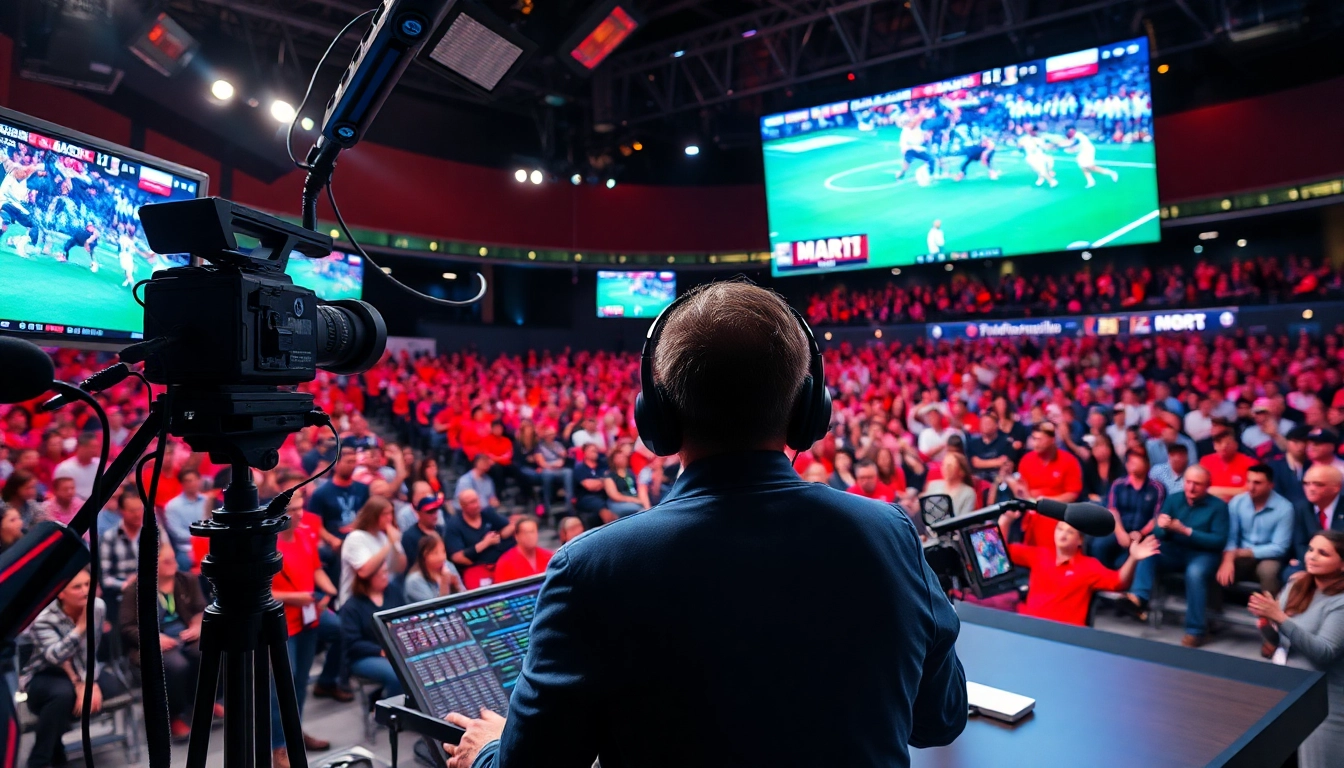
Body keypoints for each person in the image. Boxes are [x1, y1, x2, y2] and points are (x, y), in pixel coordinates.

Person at [445, 282, 964, 768]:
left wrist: (489, 748)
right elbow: (940, 719)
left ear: (658, 415)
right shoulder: (889, 532)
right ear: (808, 408)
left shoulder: (593, 568)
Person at [1247, 530, 1344, 768]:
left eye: (1323, 553)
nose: (1311, 556)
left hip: (1326, 704)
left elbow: (1324, 652)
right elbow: (1279, 639)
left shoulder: (1340, 602)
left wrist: (1279, 618)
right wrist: (1264, 622)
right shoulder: (1297, 585)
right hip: (1287, 695)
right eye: (1311, 549)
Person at [20, 569, 125, 768]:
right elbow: (56, 656)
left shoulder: (97, 607)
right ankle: (39, 760)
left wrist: (89, 682)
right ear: (61, 592)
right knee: (62, 695)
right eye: (77, 587)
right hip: (46, 673)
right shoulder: (43, 618)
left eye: (88, 584)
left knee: (110, 688)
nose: (85, 591)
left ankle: (56, 752)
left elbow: (90, 650)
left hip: (83, 668)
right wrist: (80, 628)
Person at [269, 493, 342, 765]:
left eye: (301, 508)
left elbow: (315, 569)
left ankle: (293, 733)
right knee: (282, 686)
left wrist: (329, 589)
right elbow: (264, 592)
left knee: (299, 683)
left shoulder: (307, 535)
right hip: (282, 624)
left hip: (308, 618)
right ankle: (278, 745)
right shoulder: (269, 545)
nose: (300, 514)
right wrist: (295, 598)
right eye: (294, 510)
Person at [997, 507, 1159, 626]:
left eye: (1070, 531)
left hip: (1067, 636)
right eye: (1060, 529)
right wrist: (1005, 521)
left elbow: (1119, 582)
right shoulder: (1040, 554)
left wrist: (1133, 558)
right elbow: (1002, 552)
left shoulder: (1089, 566)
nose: (1063, 534)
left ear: (1080, 540)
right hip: (1029, 627)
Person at [1125, 466, 1230, 647]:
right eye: (1188, 482)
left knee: (1195, 573)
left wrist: (1187, 531)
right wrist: (1163, 527)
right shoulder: (1174, 499)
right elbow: (1157, 531)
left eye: (1197, 484)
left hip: (1203, 554)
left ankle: (1195, 631)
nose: (1191, 488)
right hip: (1175, 550)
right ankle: (1138, 597)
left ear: (1207, 486)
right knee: (1151, 549)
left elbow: (1218, 541)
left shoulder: (1218, 506)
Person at [119, 543, 206, 741]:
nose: (173, 564)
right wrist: (152, 638)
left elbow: (201, 609)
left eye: (173, 559)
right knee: (176, 665)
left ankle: (202, 701)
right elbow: (126, 627)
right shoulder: (135, 590)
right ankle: (174, 714)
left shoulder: (186, 580)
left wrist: (197, 625)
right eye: (167, 561)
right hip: (153, 640)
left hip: (183, 633)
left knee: (207, 651)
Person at [1218, 465, 1294, 597]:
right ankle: (1214, 610)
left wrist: (1246, 552)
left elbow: (1280, 547)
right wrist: (1228, 560)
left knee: (1269, 571)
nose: (1251, 487)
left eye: (1257, 483)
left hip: (1269, 556)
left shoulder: (1285, 508)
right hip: (1239, 553)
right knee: (1215, 563)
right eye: (1248, 481)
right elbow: (1231, 537)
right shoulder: (1237, 502)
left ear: (1270, 485)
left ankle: (1270, 615)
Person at [1013, 421, 1083, 548]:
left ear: (1052, 440)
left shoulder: (1069, 461)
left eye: (1040, 439)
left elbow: (1072, 494)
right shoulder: (1026, 460)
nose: (1035, 443)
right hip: (1032, 512)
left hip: (1058, 513)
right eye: (1034, 439)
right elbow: (1022, 490)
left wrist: (1046, 502)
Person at [306, 446, 371, 584]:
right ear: (336, 464)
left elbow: (366, 513)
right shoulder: (321, 493)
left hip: (359, 536)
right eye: (348, 462)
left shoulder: (363, 489)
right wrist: (331, 539)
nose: (352, 466)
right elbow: (313, 523)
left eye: (354, 462)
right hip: (336, 541)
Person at [1092, 450, 1164, 569]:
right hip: (1118, 529)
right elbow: (1112, 510)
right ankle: (1102, 580)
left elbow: (1157, 517)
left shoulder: (1157, 488)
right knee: (1099, 545)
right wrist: (1120, 533)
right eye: (1129, 460)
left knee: (1124, 562)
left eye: (1136, 459)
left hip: (1143, 534)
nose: (1132, 462)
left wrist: (1141, 533)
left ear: (1147, 464)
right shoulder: (1118, 484)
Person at [340, 565, 403, 699]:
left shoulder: (393, 592)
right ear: (368, 577)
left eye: (386, 572)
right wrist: (380, 651)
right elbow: (352, 643)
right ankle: (390, 711)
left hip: (395, 648)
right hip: (365, 655)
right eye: (381, 574)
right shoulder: (352, 606)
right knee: (398, 673)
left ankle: (382, 698)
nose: (385, 576)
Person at [443, 488, 516, 589]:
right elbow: (457, 557)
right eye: (472, 502)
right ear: (463, 506)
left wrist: (499, 535)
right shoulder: (454, 525)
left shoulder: (487, 513)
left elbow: (509, 527)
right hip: (476, 568)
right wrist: (485, 543)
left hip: (500, 562)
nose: (477, 505)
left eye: (477, 500)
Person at [339, 496, 406, 605]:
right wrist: (389, 543)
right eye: (385, 514)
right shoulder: (355, 538)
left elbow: (400, 568)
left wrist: (395, 544)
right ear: (373, 516)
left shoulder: (383, 537)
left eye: (391, 513)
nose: (389, 518)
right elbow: (364, 571)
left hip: (380, 599)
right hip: (355, 604)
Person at [99, 490, 143, 625]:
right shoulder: (109, 537)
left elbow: (167, 561)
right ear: (121, 511)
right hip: (121, 595)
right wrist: (127, 585)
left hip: (151, 590)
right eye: (132, 511)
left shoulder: (154, 531)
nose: (138, 514)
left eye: (140, 509)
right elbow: (105, 579)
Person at [1292, 465, 1344, 574]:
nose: (1310, 489)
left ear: (1336, 487)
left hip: (1340, 566)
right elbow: (1300, 543)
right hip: (1310, 563)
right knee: (1291, 575)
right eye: (1306, 484)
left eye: (1318, 484)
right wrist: (1311, 565)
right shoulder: (1301, 508)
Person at [163, 469, 210, 572]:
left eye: (194, 480)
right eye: (188, 481)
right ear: (182, 483)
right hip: (186, 547)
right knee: (183, 561)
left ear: (200, 480)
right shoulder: (172, 506)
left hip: (209, 544)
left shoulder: (208, 501)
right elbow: (177, 533)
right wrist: (198, 540)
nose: (192, 483)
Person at [528, 423, 575, 516]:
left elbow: (564, 456)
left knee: (568, 472)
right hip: (548, 469)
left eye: (553, 434)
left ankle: (569, 503)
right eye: (549, 435)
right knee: (547, 474)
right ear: (545, 436)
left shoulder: (557, 444)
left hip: (559, 469)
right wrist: (553, 465)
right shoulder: (539, 447)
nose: (551, 436)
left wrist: (561, 459)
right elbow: (541, 463)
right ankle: (548, 504)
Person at [404, 532, 464, 603]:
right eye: (435, 553)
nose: (442, 557)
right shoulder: (414, 581)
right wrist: (445, 584)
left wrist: (456, 587)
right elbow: (433, 608)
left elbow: (465, 595)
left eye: (443, 551)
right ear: (425, 555)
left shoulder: (448, 565)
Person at [1201, 428, 1257, 502]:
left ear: (1236, 445)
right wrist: (1237, 491)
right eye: (1219, 442)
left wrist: (1214, 490)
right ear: (1214, 445)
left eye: (1228, 443)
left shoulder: (1251, 463)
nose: (1224, 446)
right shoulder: (1205, 461)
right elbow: (1201, 488)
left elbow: (1252, 490)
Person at [493, 519, 553, 583]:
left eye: (532, 532)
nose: (530, 536)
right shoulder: (505, 562)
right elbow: (501, 591)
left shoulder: (549, 556)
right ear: (516, 536)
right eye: (525, 533)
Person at [920, 453, 977, 518]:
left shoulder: (968, 493)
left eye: (950, 466)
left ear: (961, 471)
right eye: (944, 465)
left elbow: (964, 520)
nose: (945, 468)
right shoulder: (933, 486)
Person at [601, 443, 647, 522]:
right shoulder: (609, 475)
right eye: (619, 457)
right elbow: (614, 496)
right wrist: (634, 500)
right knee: (640, 509)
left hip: (635, 498)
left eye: (623, 457)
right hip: (618, 503)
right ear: (613, 460)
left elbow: (639, 488)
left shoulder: (630, 472)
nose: (622, 459)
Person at [967, 411, 1012, 481]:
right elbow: (976, 463)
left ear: (996, 425)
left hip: (998, 481)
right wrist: (997, 462)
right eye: (983, 423)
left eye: (988, 423)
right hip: (978, 481)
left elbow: (1005, 462)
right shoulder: (973, 443)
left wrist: (982, 463)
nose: (985, 426)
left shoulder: (1005, 442)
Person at [52, 434, 99, 500]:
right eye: (92, 447)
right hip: (75, 507)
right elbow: (59, 494)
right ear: (81, 447)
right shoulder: (65, 468)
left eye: (96, 447)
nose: (95, 450)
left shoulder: (101, 465)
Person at [1081, 435, 1123, 502]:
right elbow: (1085, 490)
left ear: (1110, 449)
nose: (1101, 450)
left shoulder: (1118, 466)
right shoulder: (1088, 466)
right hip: (1093, 503)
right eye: (1097, 446)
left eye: (1104, 446)